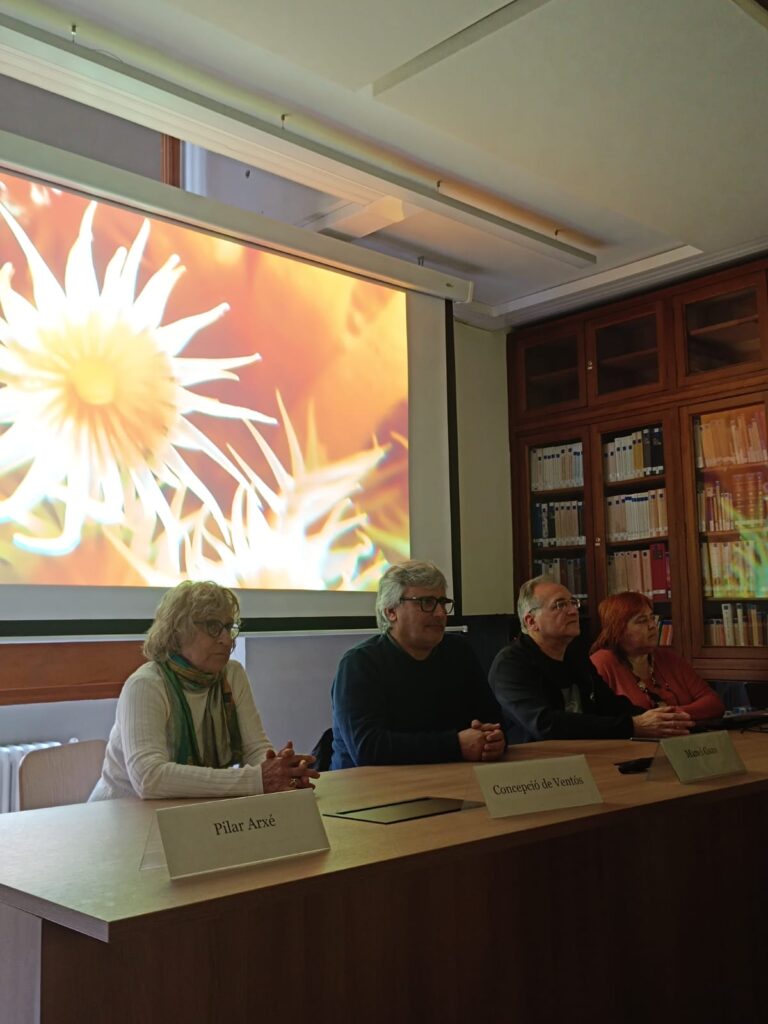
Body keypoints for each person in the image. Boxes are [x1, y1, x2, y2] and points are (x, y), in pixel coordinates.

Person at [90, 581, 319, 800]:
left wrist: (281, 772)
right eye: (212, 627)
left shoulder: (232, 674)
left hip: (187, 810)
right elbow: (149, 778)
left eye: (228, 627)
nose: (226, 640)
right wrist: (258, 779)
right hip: (117, 815)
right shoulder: (146, 684)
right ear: (178, 631)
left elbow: (255, 749)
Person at [331, 560, 505, 768]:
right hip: (370, 784)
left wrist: (493, 740)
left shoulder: (459, 652)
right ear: (391, 611)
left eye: (442, 602)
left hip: (450, 775)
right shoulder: (359, 663)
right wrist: (455, 745)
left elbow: (493, 719)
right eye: (426, 602)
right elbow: (367, 748)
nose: (440, 613)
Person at [489, 576, 693, 743]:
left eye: (573, 603)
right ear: (531, 621)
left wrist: (662, 720)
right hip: (534, 768)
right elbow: (545, 725)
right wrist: (633, 726)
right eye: (560, 605)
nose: (573, 611)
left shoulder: (575, 656)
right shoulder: (510, 664)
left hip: (586, 756)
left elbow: (611, 706)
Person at [590, 591, 725, 720]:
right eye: (642, 620)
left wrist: (673, 715)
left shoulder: (669, 659)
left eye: (652, 618)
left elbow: (714, 703)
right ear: (618, 629)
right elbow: (598, 720)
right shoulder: (601, 663)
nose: (653, 626)